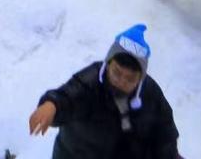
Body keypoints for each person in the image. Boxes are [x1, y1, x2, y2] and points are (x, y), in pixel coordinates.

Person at [28, 25, 179, 158]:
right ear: (107, 64)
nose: (121, 81)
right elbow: (67, 97)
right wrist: (51, 106)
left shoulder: (150, 93)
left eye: (130, 78)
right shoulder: (90, 84)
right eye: (116, 73)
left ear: (141, 79)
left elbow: (165, 130)